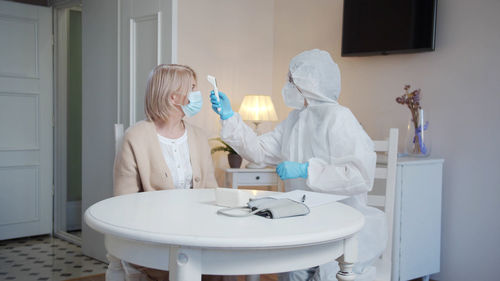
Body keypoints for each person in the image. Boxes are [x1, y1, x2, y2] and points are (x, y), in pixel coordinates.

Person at [210, 49, 386, 281]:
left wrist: (307, 170)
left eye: (291, 80)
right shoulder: (295, 120)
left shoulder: (339, 118)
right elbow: (259, 151)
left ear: (310, 84)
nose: (288, 85)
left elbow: (360, 175)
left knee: (318, 273)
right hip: (301, 221)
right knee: (292, 270)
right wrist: (229, 117)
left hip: (339, 223)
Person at [110, 64, 224, 281]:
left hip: (197, 234)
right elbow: (123, 203)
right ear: (174, 98)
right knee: (192, 268)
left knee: (227, 266)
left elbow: (211, 191)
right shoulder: (135, 137)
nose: (197, 94)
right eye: (192, 88)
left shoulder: (199, 137)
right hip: (154, 238)